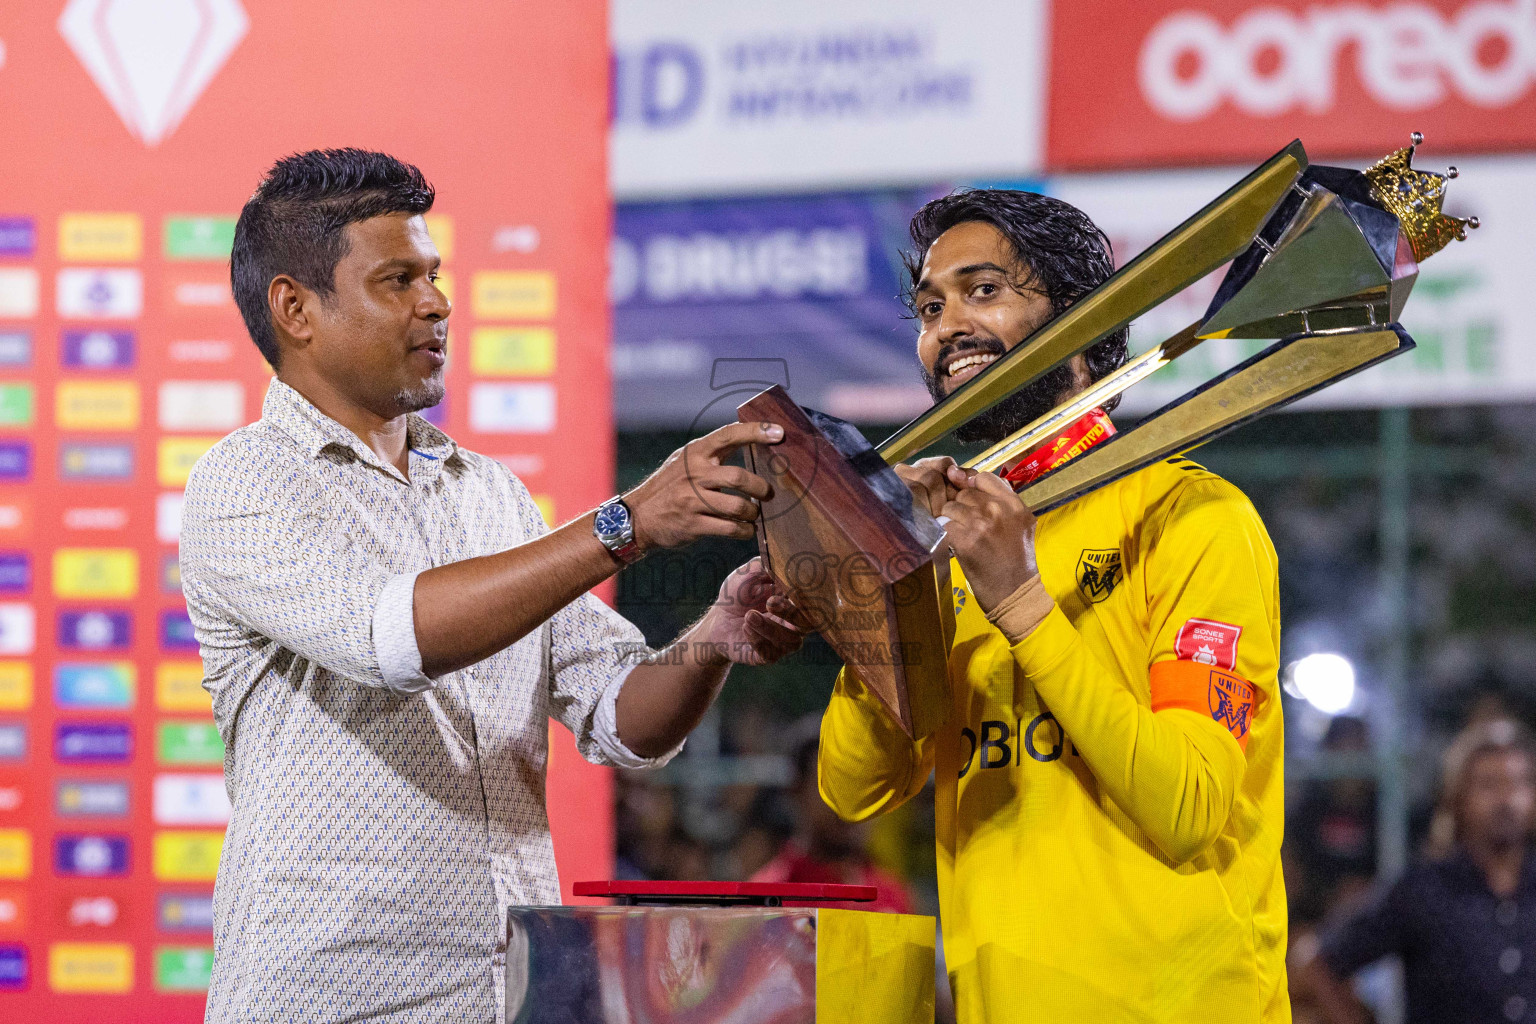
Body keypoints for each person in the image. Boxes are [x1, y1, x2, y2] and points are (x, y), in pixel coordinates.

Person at [181, 149, 808, 1023]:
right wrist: (623, 524)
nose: (436, 302)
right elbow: (391, 640)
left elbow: (626, 722)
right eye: (397, 279)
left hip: (505, 998)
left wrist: (716, 639)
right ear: (296, 310)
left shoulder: (492, 494)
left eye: (433, 275)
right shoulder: (244, 482)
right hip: (324, 1000)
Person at [816, 190, 1288, 1021]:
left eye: (984, 290)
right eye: (931, 305)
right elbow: (854, 791)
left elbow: (1186, 810)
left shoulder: (1194, 516)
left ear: (1079, 317)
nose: (948, 323)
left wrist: (1022, 599)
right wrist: (885, 588)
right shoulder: (943, 547)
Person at [1300, 718, 1536, 1024]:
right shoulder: (1424, 890)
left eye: (1520, 783)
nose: (1507, 800)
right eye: (1489, 785)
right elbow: (1318, 964)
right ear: (1457, 797)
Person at [751, 722, 916, 915]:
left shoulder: (892, 894)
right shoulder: (764, 901)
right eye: (835, 786)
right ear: (796, 791)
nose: (851, 804)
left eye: (864, 786)